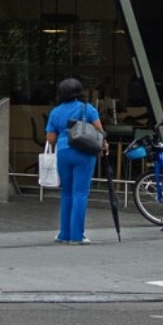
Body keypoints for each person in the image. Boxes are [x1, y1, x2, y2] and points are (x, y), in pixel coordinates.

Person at [45, 76, 104, 244]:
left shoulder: (55, 112)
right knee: (80, 193)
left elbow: (50, 138)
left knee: (67, 193)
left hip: (64, 153)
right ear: (79, 92)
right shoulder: (87, 109)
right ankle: (77, 236)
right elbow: (99, 130)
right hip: (84, 153)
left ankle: (64, 233)